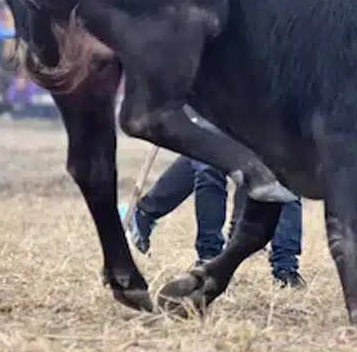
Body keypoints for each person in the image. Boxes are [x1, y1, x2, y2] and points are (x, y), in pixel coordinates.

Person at [118, 110, 305, 287]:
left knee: (282, 167)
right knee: (208, 165)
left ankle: (285, 267)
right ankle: (208, 257)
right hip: (215, 91)